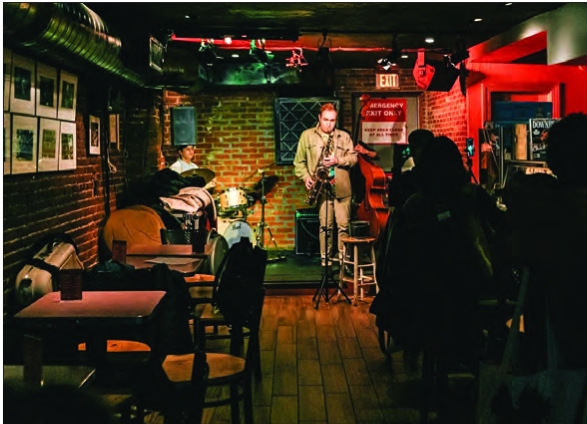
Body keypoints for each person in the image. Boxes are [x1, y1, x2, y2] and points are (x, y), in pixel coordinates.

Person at [294, 103, 357, 266]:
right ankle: (326, 260)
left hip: (342, 188)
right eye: (326, 120)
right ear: (319, 118)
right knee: (325, 227)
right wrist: (306, 177)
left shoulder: (343, 136)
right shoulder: (307, 136)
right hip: (321, 188)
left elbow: (353, 158)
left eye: (333, 121)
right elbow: (298, 162)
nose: (329, 124)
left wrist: (337, 160)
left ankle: (344, 262)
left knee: (343, 226)